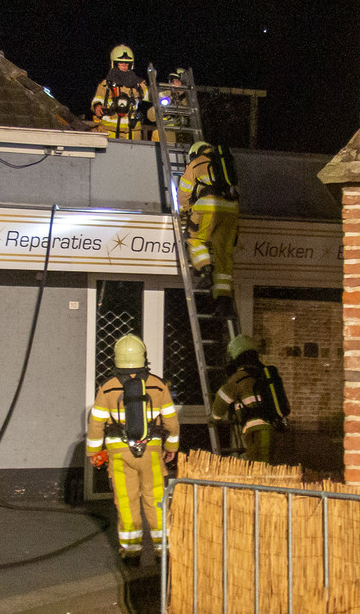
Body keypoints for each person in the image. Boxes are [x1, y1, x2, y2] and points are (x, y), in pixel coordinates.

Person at [86, 334, 179, 565]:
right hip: (152, 454)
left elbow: (96, 425)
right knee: (156, 499)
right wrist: (171, 446)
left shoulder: (106, 388)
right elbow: (171, 423)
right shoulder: (159, 386)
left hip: (119, 456)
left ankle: (131, 552)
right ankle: (162, 550)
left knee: (126, 502)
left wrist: (94, 453)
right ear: (143, 357)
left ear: (116, 359)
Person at [177, 140, 239, 317]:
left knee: (196, 239)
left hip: (208, 206)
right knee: (223, 254)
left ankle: (205, 270)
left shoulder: (196, 163)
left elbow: (184, 192)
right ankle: (224, 299)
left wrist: (187, 210)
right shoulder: (225, 163)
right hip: (231, 208)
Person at [210, 335, 275, 463]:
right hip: (272, 427)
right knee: (266, 467)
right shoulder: (263, 374)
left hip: (255, 431)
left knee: (256, 467)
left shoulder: (238, 378)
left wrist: (213, 418)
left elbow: (220, 404)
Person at [91, 44, 151, 140]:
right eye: (121, 63)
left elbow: (152, 96)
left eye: (127, 63)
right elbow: (97, 100)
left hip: (131, 131)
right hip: (109, 131)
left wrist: (167, 94)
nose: (124, 65)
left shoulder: (139, 84)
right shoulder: (106, 84)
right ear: (114, 64)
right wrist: (97, 107)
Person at [150, 69, 191, 143]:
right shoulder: (164, 95)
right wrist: (161, 110)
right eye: (172, 81)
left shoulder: (190, 100)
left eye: (177, 81)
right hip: (166, 137)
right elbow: (150, 116)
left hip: (185, 137)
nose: (174, 84)